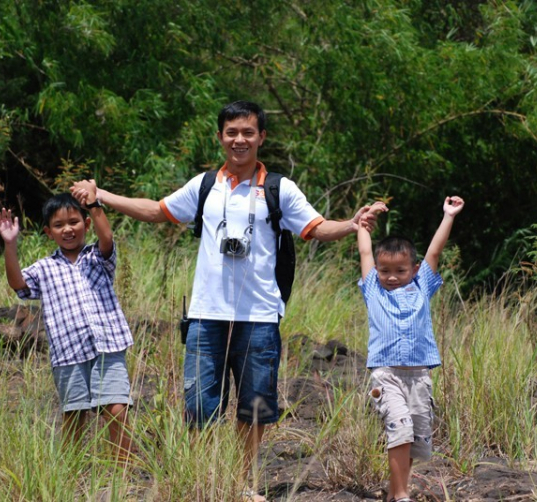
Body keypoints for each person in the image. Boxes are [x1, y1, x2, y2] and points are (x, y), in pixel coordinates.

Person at [72, 100, 376, 501]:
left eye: (248, 132)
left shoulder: (279, 189)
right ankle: (201, 482)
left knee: (253, 407)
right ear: (220, 138)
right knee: (199, 407)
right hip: (205, 314)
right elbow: (155, 211)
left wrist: (351, 224)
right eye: (231, 132)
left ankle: (241, 483)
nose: (239, 140)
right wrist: (102, 196)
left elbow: (317, 228)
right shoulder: (204, 186)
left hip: (260, 316)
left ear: (262, 137)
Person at [0, 186, 133, 462]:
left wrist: (93, 203)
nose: (68, 229)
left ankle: (127, 472)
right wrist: (10, 244)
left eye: (74, 222)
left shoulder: (97, 257)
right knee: (74, 416)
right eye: (59, 225)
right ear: (49, 232)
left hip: (108, 346)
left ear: (86, 224)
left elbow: (107, 237)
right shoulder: (44, 268)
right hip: (68, 354)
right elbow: (18, 284)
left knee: (116, 410)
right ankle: (71, 474)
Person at [356, 196, 465, 502]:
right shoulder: (373, 290)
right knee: (399, 429)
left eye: (401, 270)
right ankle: (402, 495)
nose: (392, 277)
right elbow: (365, 250)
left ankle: (394, 492)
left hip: (419, 375)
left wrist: (448, 216)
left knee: (415, 436)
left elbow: (434, 250)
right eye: (385, 270)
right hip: (386, 374)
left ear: (415, 269)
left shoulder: (422, 287)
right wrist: (364, 222)